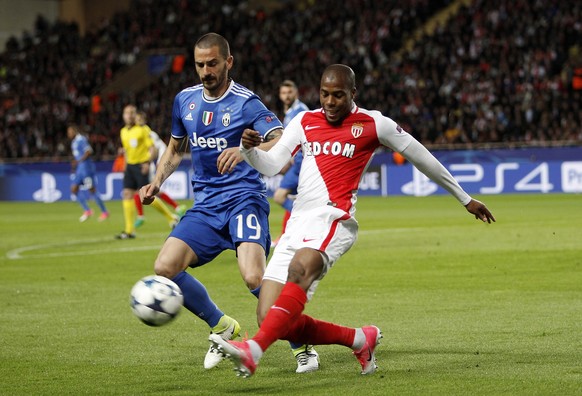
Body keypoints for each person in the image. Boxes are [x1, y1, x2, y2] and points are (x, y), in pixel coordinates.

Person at [210, 64, 496, 378]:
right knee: (270, 317)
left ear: (353, 94)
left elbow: (421, 156)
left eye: (338, 95)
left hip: (335, 219)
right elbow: (272, 164)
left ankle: (253, 351)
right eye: (324, 94)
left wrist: (465, 198)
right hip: (298, 223)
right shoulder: (305, 121)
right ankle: (359, 339)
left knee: (300, 269)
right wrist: (250, 152)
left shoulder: (374, 123)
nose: (330, 102)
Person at [138, 33, 318, 373]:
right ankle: (223, 327)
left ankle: (302, 343)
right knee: (165, 268)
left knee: (253, 276)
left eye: (212, 64)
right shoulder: (185, 101)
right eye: (200, 64)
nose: (205, 71)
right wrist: (157, 183)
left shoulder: (246, 102)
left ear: (228, 62)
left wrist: (246, 150)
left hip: (244, 199)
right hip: (205, 205)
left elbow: (282, 142)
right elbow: (176, 148)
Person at [116, 104, 176, 239]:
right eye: (127, 113)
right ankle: (129, 231)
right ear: (124, 116)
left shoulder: (143, 129)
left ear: (134, 115)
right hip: (130, 166)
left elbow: (153, 148)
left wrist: (148, 162)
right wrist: (125, 166)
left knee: (146, 195)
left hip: (141, 165)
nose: (129, 115)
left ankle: (171, 217)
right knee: (127, 194)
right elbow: (127, 150)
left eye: (132, 113)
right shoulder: (123, 132)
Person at [271, 80, 309, 248]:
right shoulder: (291, 112)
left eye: (289, 93)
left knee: (279, 196)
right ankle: (286, 237)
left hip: (301, 162)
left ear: (296, 93)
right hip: (299, 162)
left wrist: (287, 159)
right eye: (284, 93)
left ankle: (306, 222)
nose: (287, 96)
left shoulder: (300, 112)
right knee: (293, 199)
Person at [133, 111, 185, 229]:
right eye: (137, 119)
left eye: (140, 119)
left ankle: (169, 216)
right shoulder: (137, 133)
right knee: (146, 191)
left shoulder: (149, 133)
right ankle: (176, 208)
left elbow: (162, 147)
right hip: (141, 165)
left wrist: (159, 163)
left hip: (149, 166)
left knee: (146, 191)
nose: (138, 122)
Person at [67, 124, 109, 222]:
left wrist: (79, 161)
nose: (68, 134)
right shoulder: (74, 142)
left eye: (69, 132)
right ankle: (87, 210)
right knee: (74, 189)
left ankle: (104, 212)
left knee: (92, 190)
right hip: (80, 170)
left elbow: (89, 151)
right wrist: (76, 163)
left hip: (87, 169)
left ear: (74, 131)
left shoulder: (81, 139)